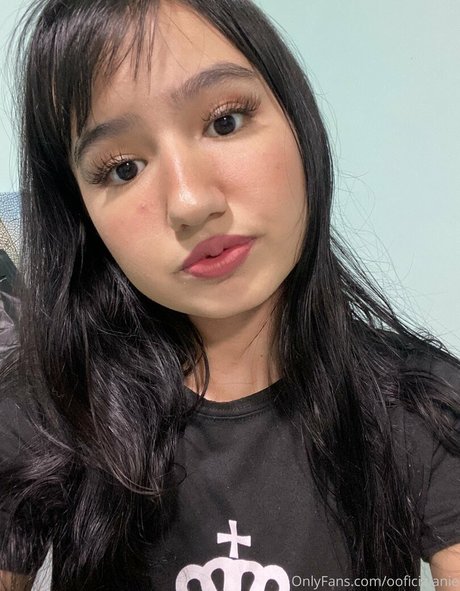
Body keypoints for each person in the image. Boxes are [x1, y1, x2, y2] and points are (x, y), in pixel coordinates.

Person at [0, 0, 459, 589]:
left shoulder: (423, 407)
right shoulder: (42, 411)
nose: (191, 203)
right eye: (123, 168)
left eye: (225, 122)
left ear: (298, 120)